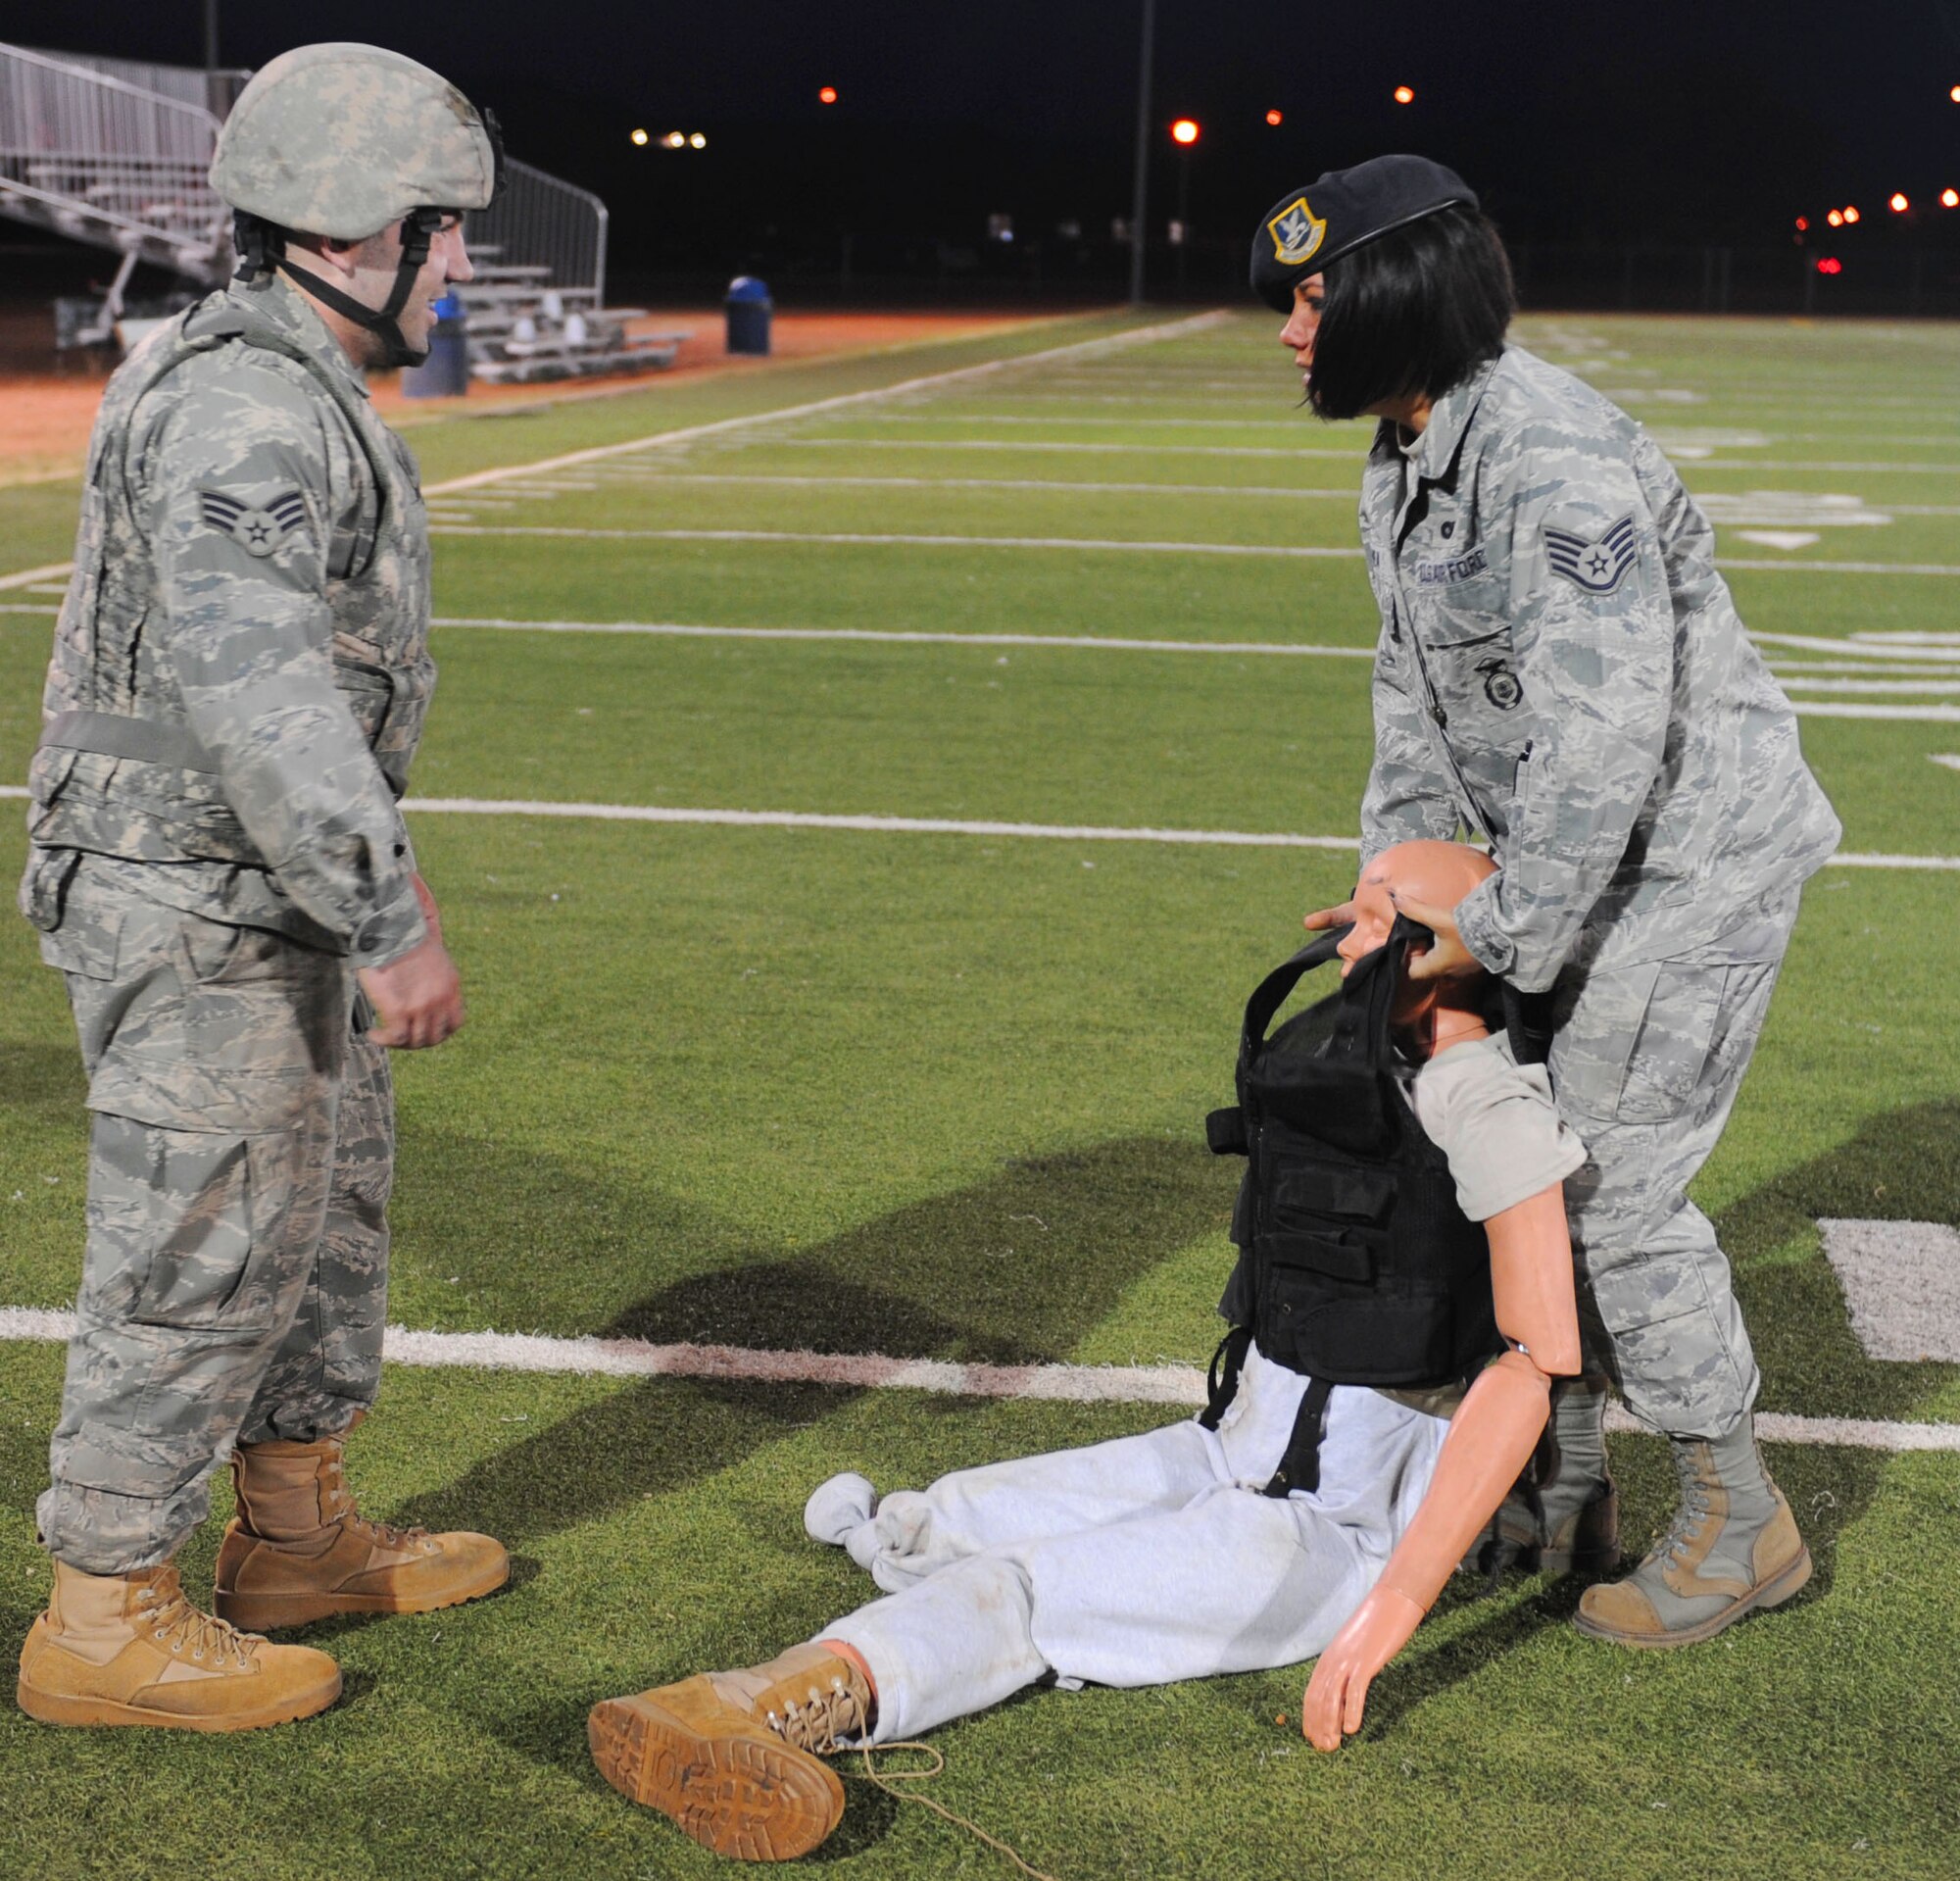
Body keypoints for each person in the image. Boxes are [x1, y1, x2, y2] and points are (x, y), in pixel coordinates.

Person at [586, 840, 1589, 1862]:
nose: (1334, 925)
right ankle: (882, 1559)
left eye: (1374, 916)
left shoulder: (1481, 1104)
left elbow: (1533, 1362)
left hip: (1332, 1524)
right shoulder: (1351, 1058)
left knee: (1024, 1588)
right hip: (1226, 1447)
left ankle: (767, 1701)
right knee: (958, 1509)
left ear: (1442, 950)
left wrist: (1392, 1605)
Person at [1251, 154, 1838, 1647]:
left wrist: (1495, 936)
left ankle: (1739, 1516)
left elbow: (1602, 736)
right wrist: (1397, 898)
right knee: (1516, 1162)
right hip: (1559, 868)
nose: (1288, 331)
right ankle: (1569, 1479)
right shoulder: (1406, 451)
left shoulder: (1550, 455)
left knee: (1611, 1186)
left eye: (1315, 300)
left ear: (1399, 294)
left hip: (1680, 861)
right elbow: (1414, 700)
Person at [16, 43, 511, 1734]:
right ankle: (101, 1609)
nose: (462, 265)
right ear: (366, 231)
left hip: (251, 880)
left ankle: (293, 1538)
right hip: (191, 887)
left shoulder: (291, 382)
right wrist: (392, 911)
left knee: (319, 1207)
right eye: (448, 231)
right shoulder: (242, 400)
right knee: (201, 1226)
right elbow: (259, 690)